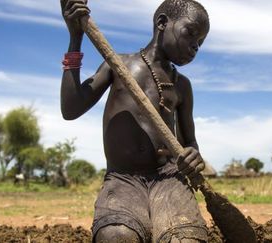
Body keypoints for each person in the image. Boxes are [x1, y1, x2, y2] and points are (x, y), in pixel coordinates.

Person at [60, 0, 210, 242]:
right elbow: (70, 108)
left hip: (170, 180)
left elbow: (189, 141)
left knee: (184, 240)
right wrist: (75, 38)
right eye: (190, 33)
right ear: (162, 23)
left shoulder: (182, 85)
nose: (194, 46)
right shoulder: (118, 65)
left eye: (200, 43)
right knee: (116, 236)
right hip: (123, 179)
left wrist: (193, 155)